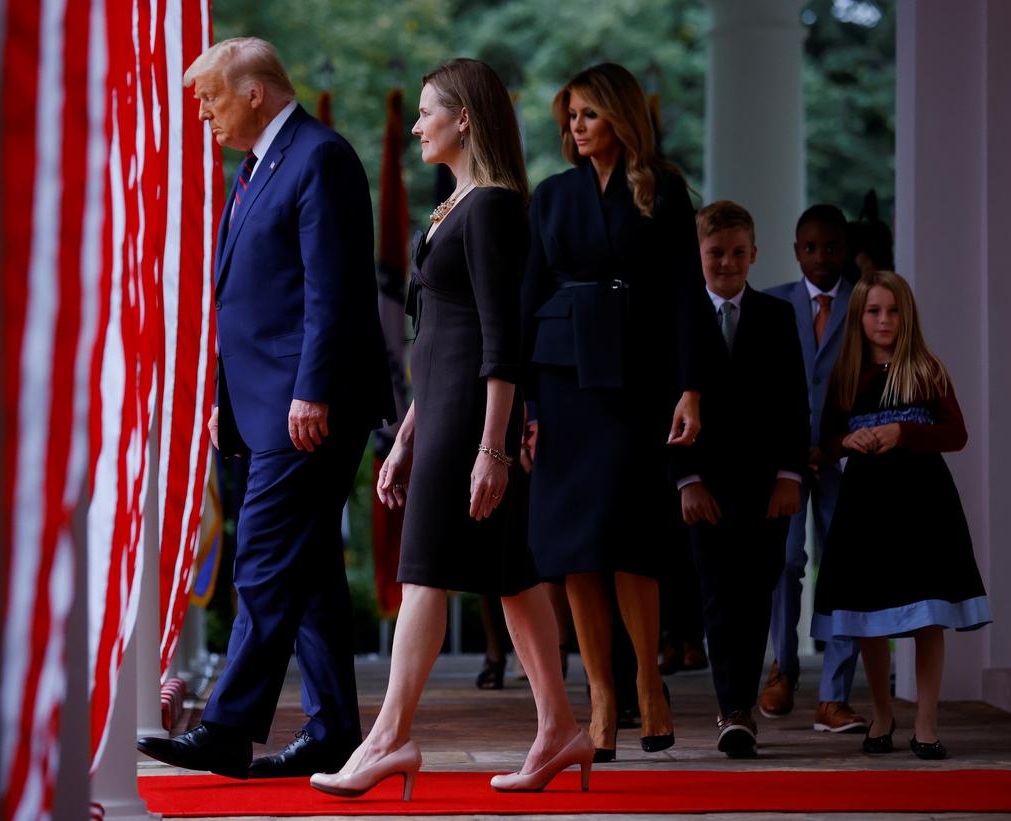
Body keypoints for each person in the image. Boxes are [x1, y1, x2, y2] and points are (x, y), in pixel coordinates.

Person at [311, 58, 590, 801]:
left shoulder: (493, 206)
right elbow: (436, 342)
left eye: (427, 112)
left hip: (473, 422)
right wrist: (404, 438)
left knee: (424, 571)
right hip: (441, 417)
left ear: (464, 119)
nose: (414, 126)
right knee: (514, 578)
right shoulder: (453, 208)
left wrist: (493, 447)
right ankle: (561, 728)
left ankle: (390, 736)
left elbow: (502, 342)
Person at [137, 37, 395, 780]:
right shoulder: (251, 170)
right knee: (306, 569)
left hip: (307, 404)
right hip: (257, 408)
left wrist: (310, 389)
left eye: (211, 97)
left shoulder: (321, 156)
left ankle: (226, 727)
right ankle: (333, 731)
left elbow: (331, 290)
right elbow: (237, 302)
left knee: (262, 555)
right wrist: (220, 399)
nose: (204, 114)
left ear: (254, 91)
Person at [521, 62, 713, 760]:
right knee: (575, 544)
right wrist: (525, 404)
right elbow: (526, 301)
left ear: (620, 118)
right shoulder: (549, 196)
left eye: (588, 115)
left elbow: (689, 297)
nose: (575, 128)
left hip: (638, 381)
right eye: (570, 117)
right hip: (565, 380)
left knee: (632, 535)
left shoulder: (661, 190)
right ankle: (600, 694)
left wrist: (691, 388)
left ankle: (649, 682)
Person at [812, 270, 990, 759]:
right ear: (860, 317)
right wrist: (846, 441)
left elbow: (956, 434)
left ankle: (926, 719)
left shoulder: (927, 369)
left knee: (928, 613)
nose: (884, 320)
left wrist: (903, 434)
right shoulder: (847, 375)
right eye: (874, 311)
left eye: (892, 311)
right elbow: (825, 441)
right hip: (866, 509)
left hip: (924, 506)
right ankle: (883, 712)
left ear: (906, 315)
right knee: (871, 615)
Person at [674, 201, 809, 757]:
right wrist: (685, 479)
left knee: (756, 593)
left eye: (736, 253)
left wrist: (788, 475)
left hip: (763, 485)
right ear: (698, 256)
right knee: (715, 595)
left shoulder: (776, 316)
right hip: (705, 483)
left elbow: (794, 403)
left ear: (753, 255)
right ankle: (730, 704)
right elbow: (666, 404)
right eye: (715, 254)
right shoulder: (681, 317)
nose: (726, 264)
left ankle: (741, 709)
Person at [762, 205, 867, 735]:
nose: (821, 256)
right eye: (810, 247)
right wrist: (788, 448)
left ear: (846, 250)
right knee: (784, 563)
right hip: (786, 460)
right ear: (796, 250)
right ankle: (782, 668)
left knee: (843, 568)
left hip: (843, 459)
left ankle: (835, 694)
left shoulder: (866, 306)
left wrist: (836, 445)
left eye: (831, 247)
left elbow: (875, 381)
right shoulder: (775, 303)